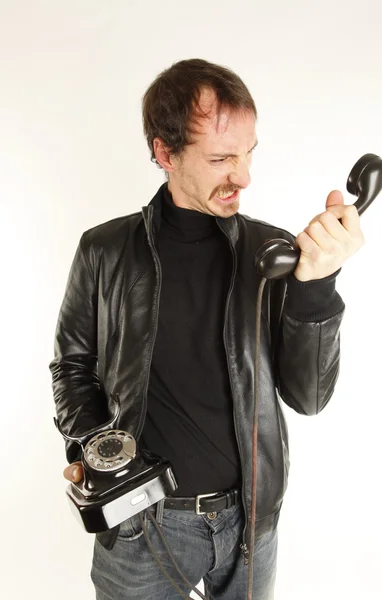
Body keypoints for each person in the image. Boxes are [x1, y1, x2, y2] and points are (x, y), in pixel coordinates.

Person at [50, 58, 365, 600]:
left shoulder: (274, 255)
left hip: (251, 523)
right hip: (142, 525)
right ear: (164, 153)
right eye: (221, 158)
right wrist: (97, 445)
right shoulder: (103, 250)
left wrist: (318, 284)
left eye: (248, 154)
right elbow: (72, 364)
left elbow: (309, 397)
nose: (244, 177)